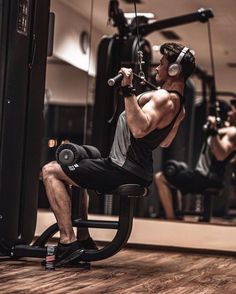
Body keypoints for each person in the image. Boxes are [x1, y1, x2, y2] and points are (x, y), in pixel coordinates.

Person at [42, 42, 195, 265]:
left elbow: (140, 129)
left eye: (161, 64)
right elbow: (165, 142)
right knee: (79, 169)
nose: (157, 69)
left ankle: (68, 242)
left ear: (174, 70)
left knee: (50, 171)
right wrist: (141, 100)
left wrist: (128, 89)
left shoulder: (163, 98)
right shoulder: (179, 106)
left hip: (122, 167)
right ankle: (83, 240)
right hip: (137, 169)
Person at [154, 101, 236, 220]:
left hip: (206, 177)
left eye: (233, 109)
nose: (230, 112)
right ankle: (177, 215)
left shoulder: (233, 131)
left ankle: (171, 219)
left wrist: (213, 130)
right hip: (210, 176)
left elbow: (221, 155)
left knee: (161, 177)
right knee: (177, 172)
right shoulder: (228, 130)